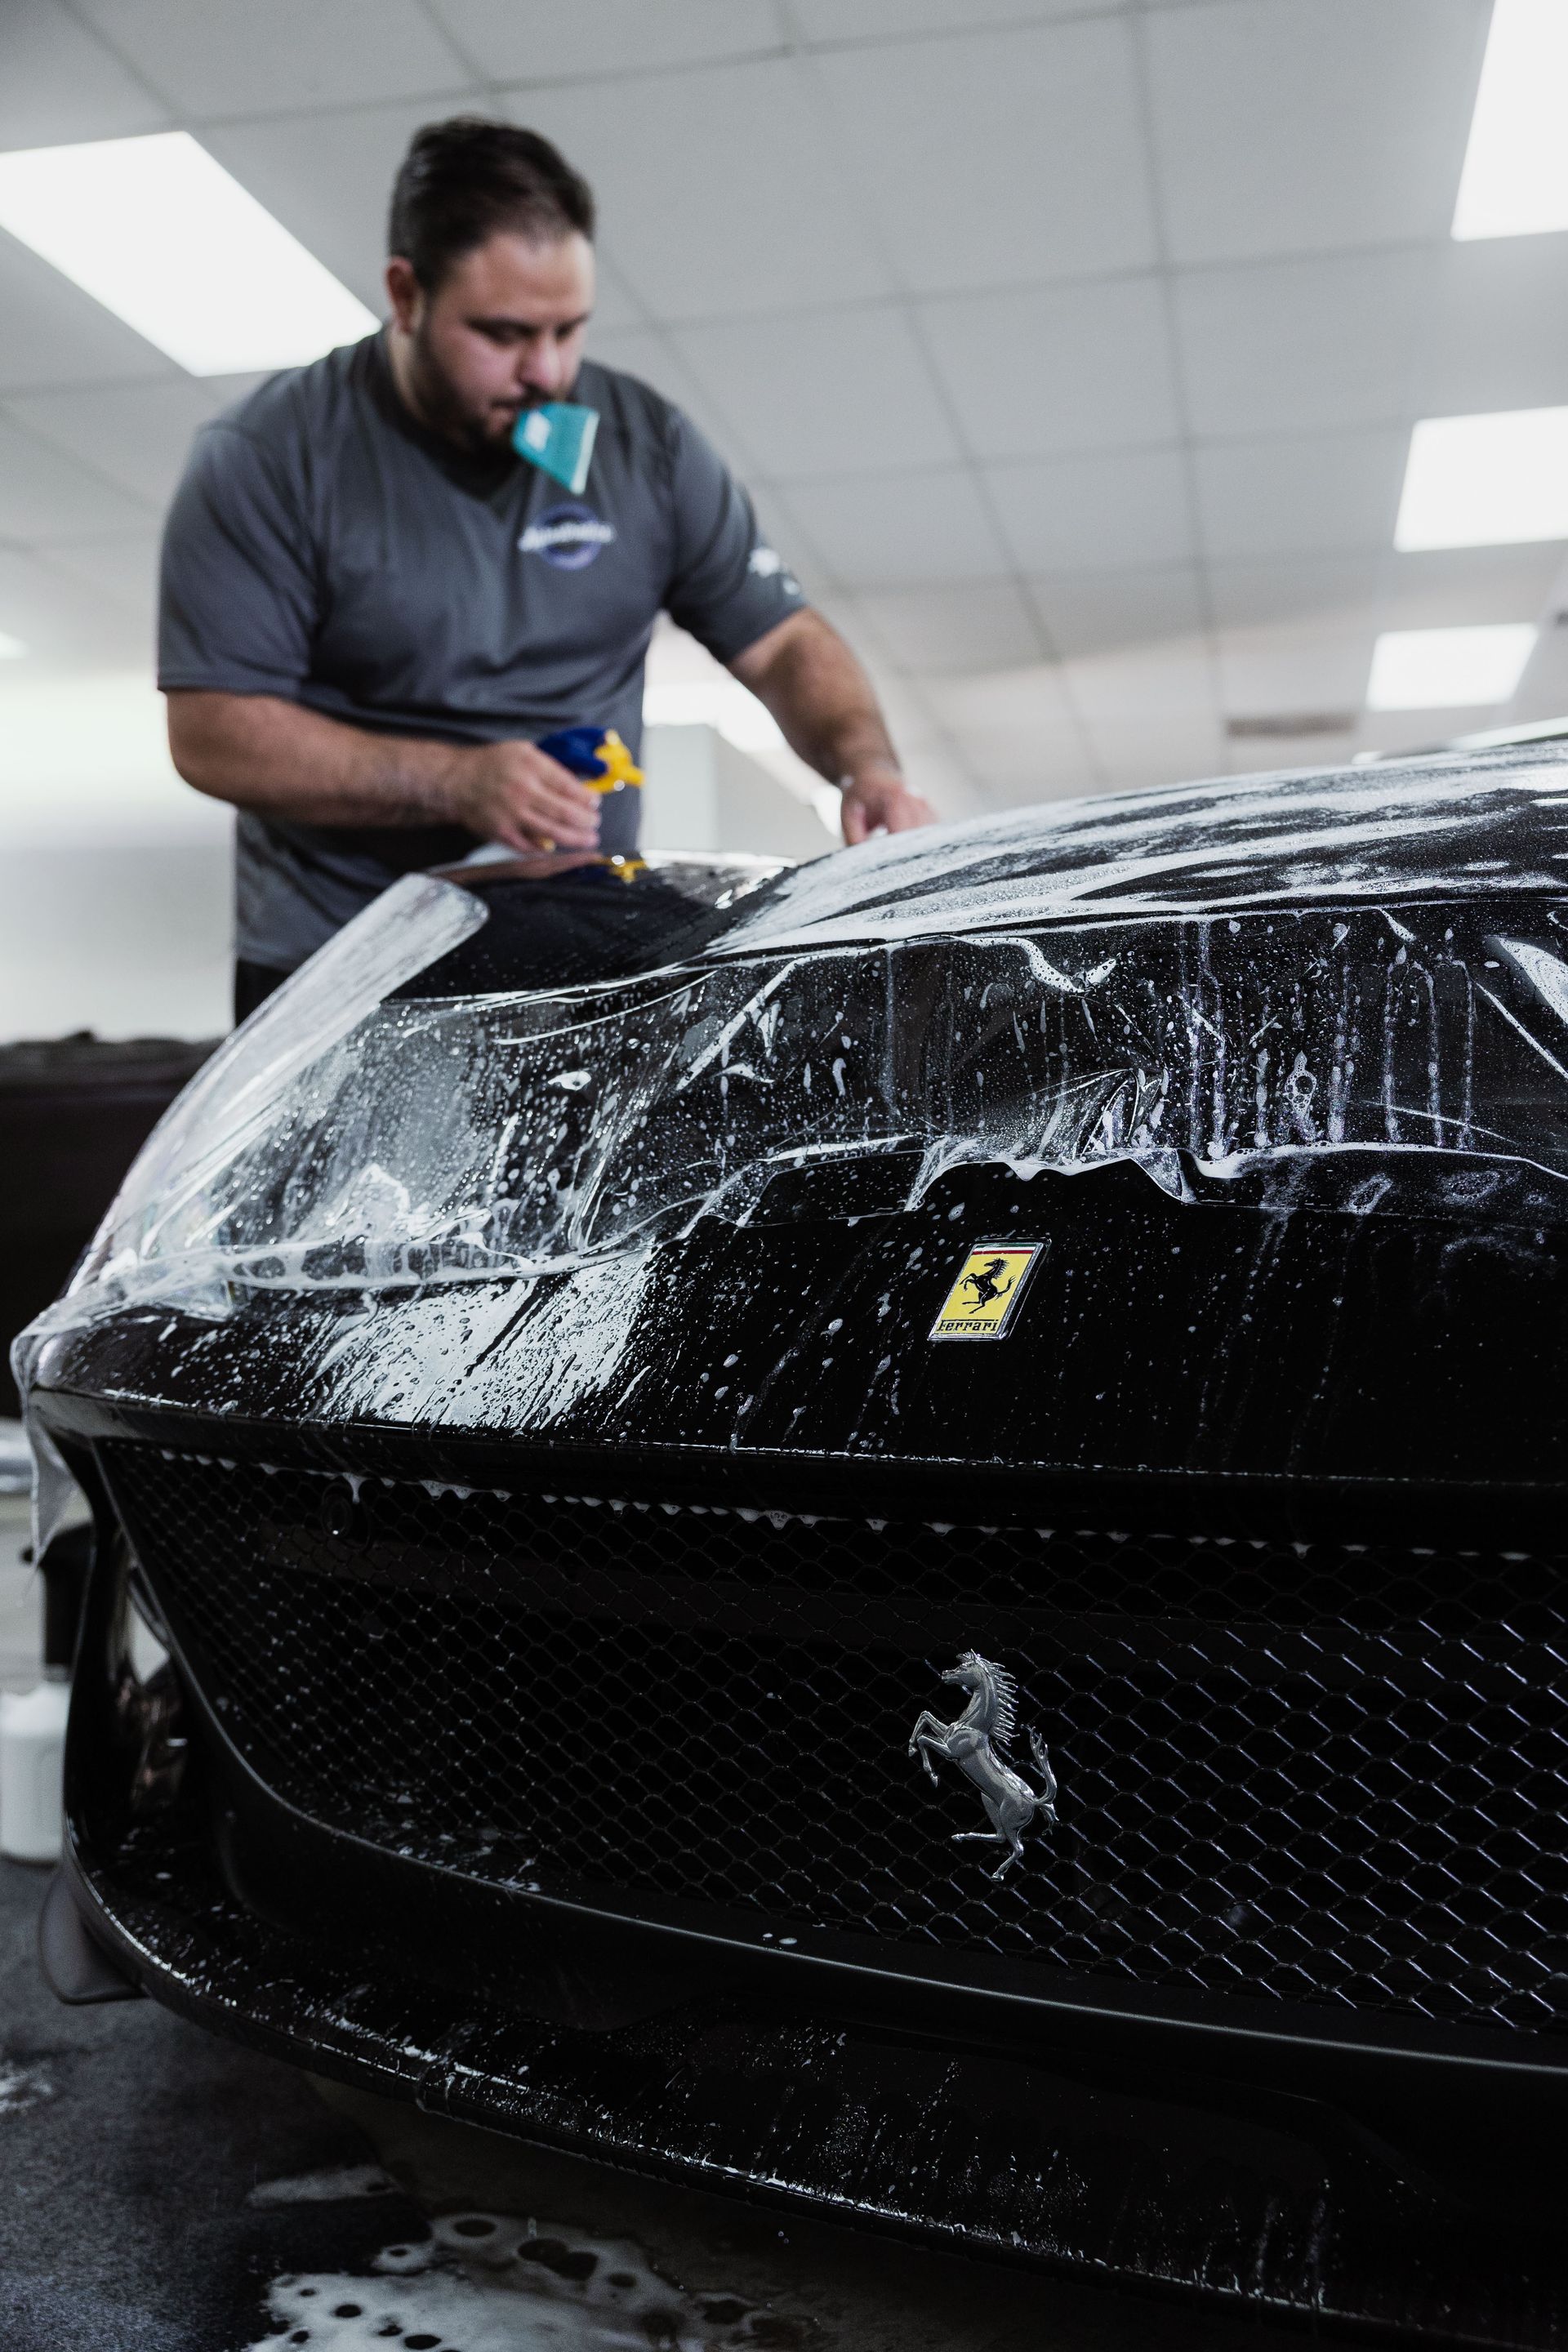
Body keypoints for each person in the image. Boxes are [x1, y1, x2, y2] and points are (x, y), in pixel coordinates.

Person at [157, 116, 933, 1022]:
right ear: (405, 296)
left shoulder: (646, 446)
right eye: (506, 333)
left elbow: (782, 640)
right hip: (339, 955)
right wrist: (456, 781)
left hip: (580, 926)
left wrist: (863, 767)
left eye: (570, 330)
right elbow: (212, 731)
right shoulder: (266, 459)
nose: (549, 371)